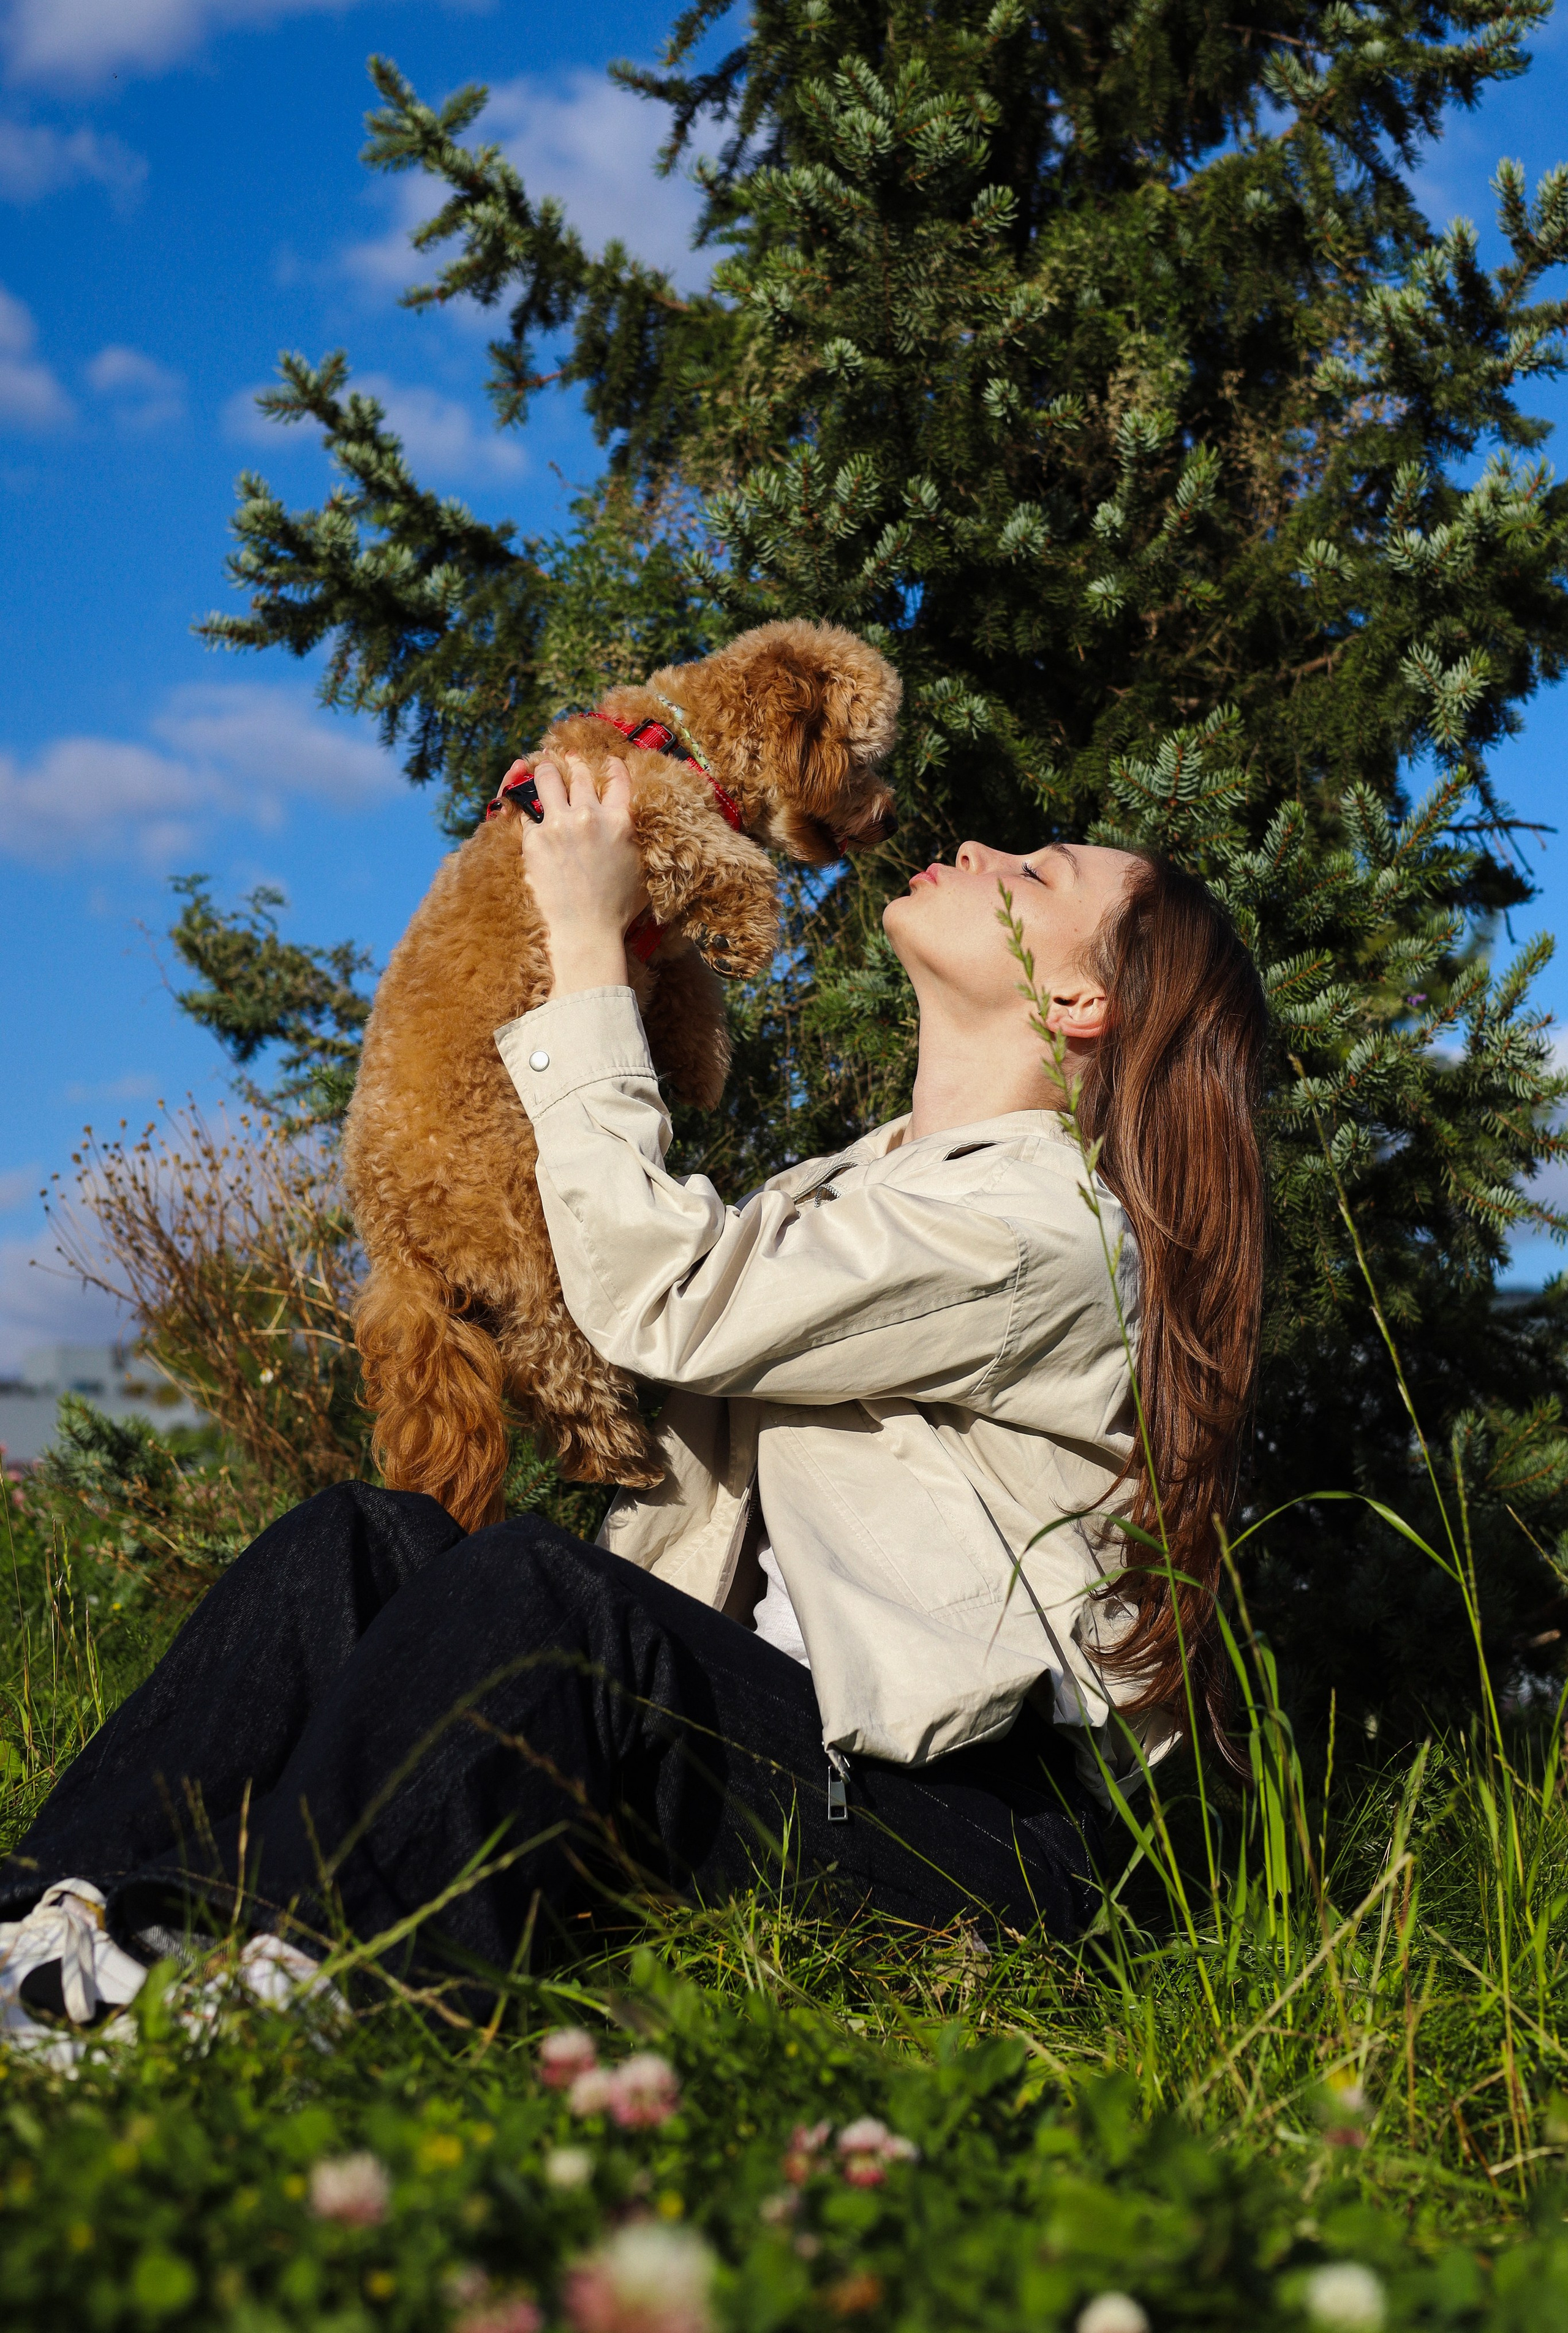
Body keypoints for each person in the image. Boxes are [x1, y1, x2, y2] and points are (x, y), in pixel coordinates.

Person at [0, 753, 1267, 2040]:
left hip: (964, 1843)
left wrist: (586, 943)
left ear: (1078, 998)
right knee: (357, 1542)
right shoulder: (867, 1188)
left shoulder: (1046, 1227)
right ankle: (55, 1932)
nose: (988, 851)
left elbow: (668, 1293)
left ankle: (282, 1996)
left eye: (1037, 873)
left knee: (541, 1594)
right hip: (781, 1759)